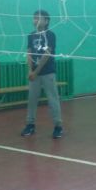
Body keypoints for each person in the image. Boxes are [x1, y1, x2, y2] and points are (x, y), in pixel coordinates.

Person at [20, 10, 63, 139]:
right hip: (34, 74)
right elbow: (29, 53)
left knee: (52, 99)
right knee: (32, 100)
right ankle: (30, 125)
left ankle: (58, 126)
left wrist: (36, 71)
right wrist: (30, 70)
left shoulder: (50, 35)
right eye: (34, 18)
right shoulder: (31, 35)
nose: (36, 20)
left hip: (47, 72)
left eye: (39, 18)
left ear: (46, 21)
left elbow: (47, 54)